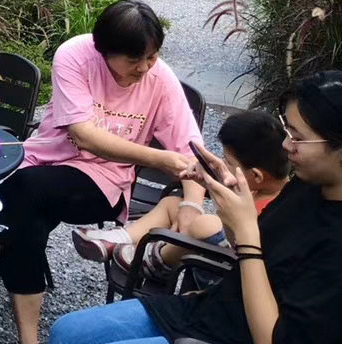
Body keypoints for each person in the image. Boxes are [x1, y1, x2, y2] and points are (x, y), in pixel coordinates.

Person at [10, 70, 342, 344]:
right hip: (218, 319)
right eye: (287, 131)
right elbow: (264, 259)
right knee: (66, 332)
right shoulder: (311, 185)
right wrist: (234, 205)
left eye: (298, 137)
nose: (287, 146)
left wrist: (248, 235)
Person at [0, 0, 204, 344]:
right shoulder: (75, 54)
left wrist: (191, 207)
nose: (146, 68)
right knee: (29, 216)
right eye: (135, 60)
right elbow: (82, 135)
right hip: (45, 162)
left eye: (153, 57)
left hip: (102, 184)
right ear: (104, 53)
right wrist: (158, 158)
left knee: (25, 193)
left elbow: (191, 151)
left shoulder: (160, 78)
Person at [73, 107, 289, 281]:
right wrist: (204, 184)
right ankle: (118, 240)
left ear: (257, 176)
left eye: (228, 162)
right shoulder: (262, 187)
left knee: (204, 224)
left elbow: (245, 247)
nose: (223, 164)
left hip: (226, 271)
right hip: (221, 253)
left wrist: (208, 207)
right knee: (174, 203)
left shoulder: (275, 209)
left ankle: (154, 262)